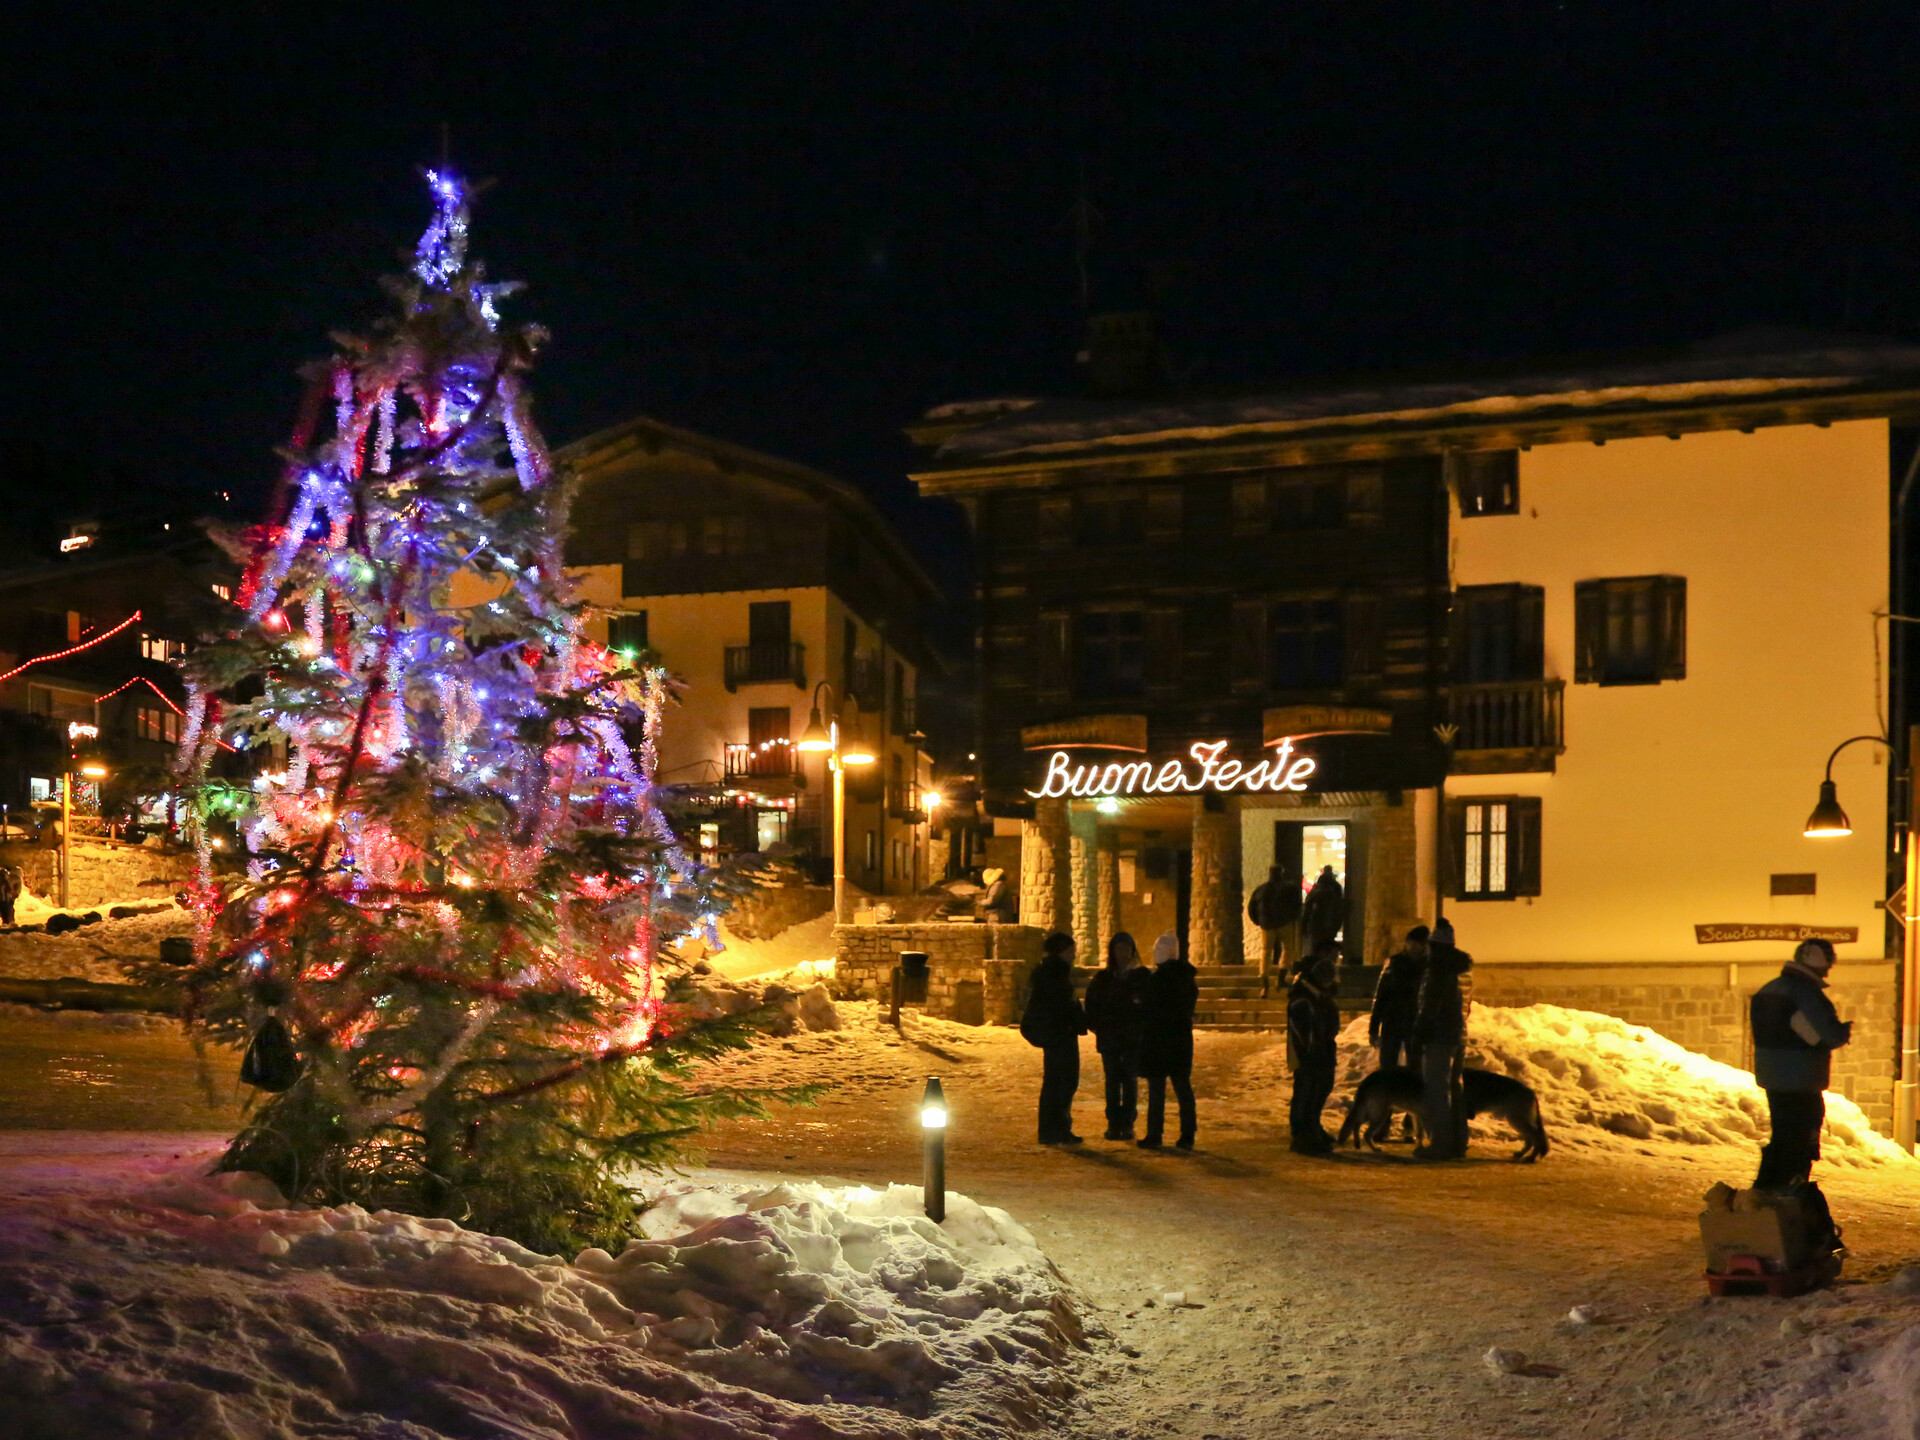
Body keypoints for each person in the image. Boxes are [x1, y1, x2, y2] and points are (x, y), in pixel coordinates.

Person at [1750, 938, 1853, 1190]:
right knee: (1800, 1142)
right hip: (1801, 1079)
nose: (1829, 969)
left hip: (1773, 1078)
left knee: (1782, 1137)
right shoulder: (1806, 994)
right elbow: (1826, 1034)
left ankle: (1763, 1195)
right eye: (1828, 963)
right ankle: (1786, 1197)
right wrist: (1842, 1031)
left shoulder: (1769, 988)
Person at [1412, 917, 1473, 1159]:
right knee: (1455, 1088)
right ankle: (1458, 1141)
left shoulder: (1438, 970)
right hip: (1459, 1033)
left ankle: (1441, 1143)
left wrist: (1420, 1031)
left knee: (1436, 1090)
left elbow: (1430, 1006)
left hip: (1439, 1036)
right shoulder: (1462, 970)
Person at [1020, 931, 1087, 1144]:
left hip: (1060, 1034)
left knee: (1059, 1082)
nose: (1073, 955)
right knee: (1061, 1082)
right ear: (1060, 951)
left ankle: (1056, 1128)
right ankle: (1054, 1129)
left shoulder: (1053, 972)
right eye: (1070, 951)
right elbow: (1057, 1005)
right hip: (1059, 1035)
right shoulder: (1053, 974)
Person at [1084, 932, 1148, 1140]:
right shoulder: (1102, 979)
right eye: (1118, 949)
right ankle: (1113, 1123)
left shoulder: (1140, 978)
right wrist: (1097, 1026)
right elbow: (1092, 1006)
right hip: (1110, 1037)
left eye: (1126, 949)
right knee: (1112, 1080)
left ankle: (1127, 1123)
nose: (1122, 953)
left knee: (1129, 1080)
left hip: (1132, 1038)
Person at [1138, 931, 1198, 1150]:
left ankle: (1155, 1133)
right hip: (1180, 1040)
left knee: (1158, 1089)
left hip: (1159, 1039)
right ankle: (1187, 1134)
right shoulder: (1186, 979)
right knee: (1182, 1087)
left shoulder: (1158, 980)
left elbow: (1148, 1008)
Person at [1287, 941, 1342, 1155]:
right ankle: (1303, 1134)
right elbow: (1305, 1033)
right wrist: (1311, 1053)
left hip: (1322, 1049)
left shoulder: (1318, 995)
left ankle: (1312, 1128)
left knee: (1319, 1088)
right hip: (1311, 1053)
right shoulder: (1305, 999)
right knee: (1307, 1090)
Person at [1370, 925, 1430, 1071]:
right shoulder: (1394, 964)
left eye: (1419, 944)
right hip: (1393, 1019)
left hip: (1416, 1022)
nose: (1414, 948)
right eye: (1412, 943)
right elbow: (1382, 995)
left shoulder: (1428, 966)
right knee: (1388, 1064)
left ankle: (1412, 1091)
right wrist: (1374, 1027)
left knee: (1416, 1065)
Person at [1247, 863, 1302, 977]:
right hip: (1284, 923)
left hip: (1266, 924)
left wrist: (1259, 921)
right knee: (1288, 949)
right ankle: (1282, 975)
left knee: (1266, 950)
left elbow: (1251, 907)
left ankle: (1264, 976)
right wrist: (1293, 918)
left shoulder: (1261, 889)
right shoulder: (1289, 888)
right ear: (1282, 872)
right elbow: (1297, 905)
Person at [1300, 865, 1345, 962]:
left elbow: (1308, 909)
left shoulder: (1315, 891)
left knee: (1315, 947)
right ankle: (1328, 964)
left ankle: (1315, 965)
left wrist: (1304, 924)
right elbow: (1340, 907)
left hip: (1316, 923)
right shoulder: (1336, 888)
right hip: (1330, 924)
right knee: (1328, 946)